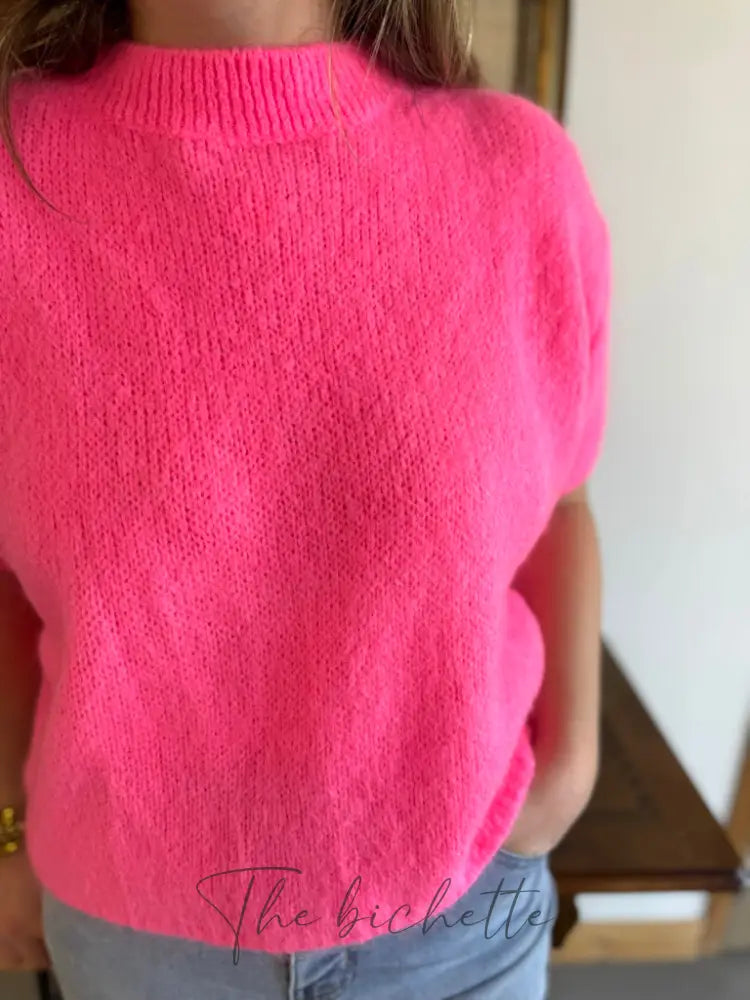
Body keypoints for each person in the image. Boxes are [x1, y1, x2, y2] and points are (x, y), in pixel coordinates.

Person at [0, 0, 611, 997]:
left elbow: (563, 500)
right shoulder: (12, 181)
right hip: (136, 933)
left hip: (464, 907)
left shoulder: (515, 173)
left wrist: (572, 764)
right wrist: (9, 828)